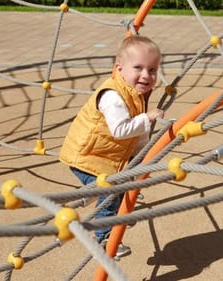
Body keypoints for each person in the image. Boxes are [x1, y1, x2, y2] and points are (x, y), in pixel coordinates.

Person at [59, 35, 164, 259]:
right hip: (86, 157)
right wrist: (148, 118)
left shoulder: (135, 91)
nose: (146, 75)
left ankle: (120, 214)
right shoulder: (113, 96)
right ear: (120, 68)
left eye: (153, 70)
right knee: (110, 194)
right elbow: (120, 130)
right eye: (138, 68)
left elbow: (136, 137)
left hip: (105, 156)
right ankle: (105, 237)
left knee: (122, 182)